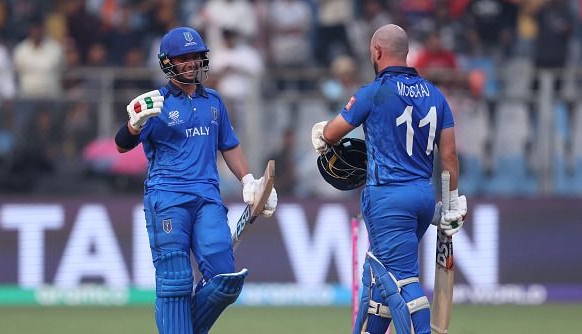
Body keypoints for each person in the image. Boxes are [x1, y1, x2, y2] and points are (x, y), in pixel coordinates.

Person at [114, 26, 277, 334]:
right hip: (167, 199)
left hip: (207, 199)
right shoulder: (155, 103)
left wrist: (248, 180)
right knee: (175, 282)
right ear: (168, 63)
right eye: (182, 58)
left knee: (225, 280)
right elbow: (121, 145)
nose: (190, 63)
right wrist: (134, 125)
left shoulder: (214, 101)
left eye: (195, 56)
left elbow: (228, 144)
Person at [311, 24, 467, 334]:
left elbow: (331, 134)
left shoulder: (374, 92)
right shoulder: (435, 95)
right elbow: (449, 156)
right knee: (376, 277)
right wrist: (450, 203)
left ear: (376, 52)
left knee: (401, 281)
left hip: (388, 199)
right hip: (423, 196)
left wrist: (319, 133)